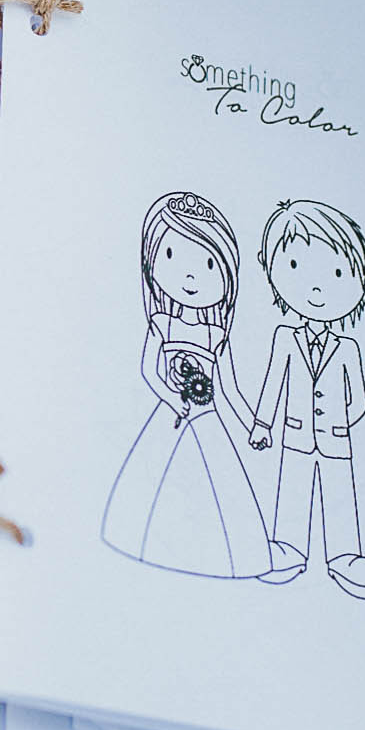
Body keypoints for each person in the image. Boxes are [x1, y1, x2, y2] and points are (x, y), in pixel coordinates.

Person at [98, 191, 270, 578]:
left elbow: (230, 390)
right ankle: (131, 541)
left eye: (209, 264)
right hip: (174, 413)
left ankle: (242, 557)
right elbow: (149, 371)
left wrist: (254, 425)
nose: (192, 277)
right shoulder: (163, 323)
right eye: (173, 257)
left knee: (223, 482)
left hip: (208, 418)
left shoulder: (215, 334)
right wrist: (174, 400)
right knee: (150, 476)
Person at [243, 198, 365, 600]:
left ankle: (345, 556)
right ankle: (288, 549)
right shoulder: (285, 337)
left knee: (339, 493)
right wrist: (263, 423)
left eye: (337, 273)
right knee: (294, 489)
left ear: (360, 280)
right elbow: (274, 383)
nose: (317, 288)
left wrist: (339, 421)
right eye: (296, 269)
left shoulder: (347, 347)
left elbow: (360, 401)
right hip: (296, 435)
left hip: (336, 439)